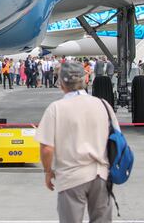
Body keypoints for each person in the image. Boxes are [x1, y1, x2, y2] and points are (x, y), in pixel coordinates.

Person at [37, 61, 118, 223]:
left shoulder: (56, 108)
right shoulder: (103, 105)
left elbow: (46, 148)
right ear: (85, 79)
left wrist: (48, 171)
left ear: (61, 83)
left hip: (72, 177)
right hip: (101, 175)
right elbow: (117, 139)